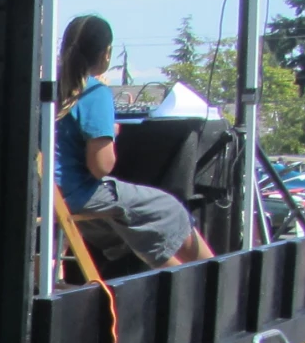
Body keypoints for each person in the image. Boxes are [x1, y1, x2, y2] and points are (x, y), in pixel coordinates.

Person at [54, 14, 213, 271]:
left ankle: (186, 282)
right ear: (106, 53)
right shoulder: (94, 92)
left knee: (130, 222)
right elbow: (101, 167)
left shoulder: (49, 89)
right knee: (168, 208)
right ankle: (211, 274)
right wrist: (111, 136)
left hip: (51, 193)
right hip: (75, 194)